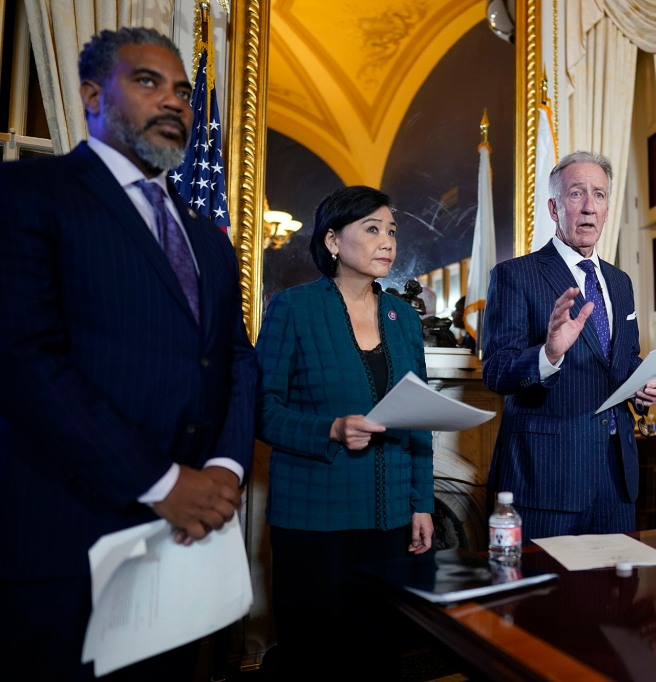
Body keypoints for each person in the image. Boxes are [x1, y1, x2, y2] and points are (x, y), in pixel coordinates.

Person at [0, 27, 257, 681]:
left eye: (182, 90)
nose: (173, 101)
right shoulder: (29, 194)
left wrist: (225, 469)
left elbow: (234, 361)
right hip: (67, 539)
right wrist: (165, 483)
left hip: (186, 543)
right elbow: (26, 362)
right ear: (91, 95)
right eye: (147, 82)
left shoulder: (208, 237)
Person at [254, 185, 434, 676]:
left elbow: (420, 417)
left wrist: (421, 502)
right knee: (314, 658)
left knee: (378, 655)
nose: (387, 242)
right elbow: (261, 409)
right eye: (372, 229)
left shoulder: (404, 319)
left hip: (391, 518)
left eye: (392, 231)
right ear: (333, 241)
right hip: (314, 520)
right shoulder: (294, 309)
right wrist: (330, 429)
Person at [482, 150, 656, 543]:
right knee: (545, 600)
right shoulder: (515, 275)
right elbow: (496, 371)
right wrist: (548, 354)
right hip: (547, 477)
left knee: (614, 598)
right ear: (553, 207)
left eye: (599, 195)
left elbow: (620, 360)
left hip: (617, 479)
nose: (588, 207)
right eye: (575, 194)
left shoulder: (620, 282)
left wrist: (642, 386)